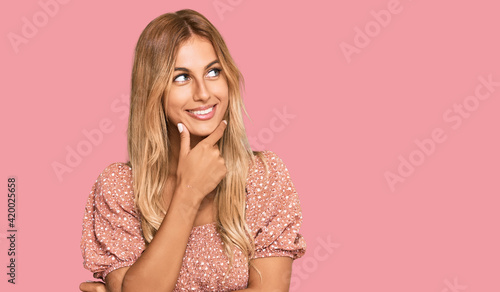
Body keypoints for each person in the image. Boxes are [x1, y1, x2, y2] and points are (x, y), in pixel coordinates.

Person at [79, 8, 306, 292]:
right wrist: (189, 193)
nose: (203, 93)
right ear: (153, 91)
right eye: (182, 77)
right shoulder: (119, 188)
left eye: (213, 72)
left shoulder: (264, 177)